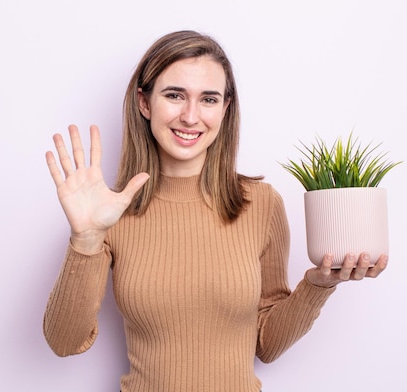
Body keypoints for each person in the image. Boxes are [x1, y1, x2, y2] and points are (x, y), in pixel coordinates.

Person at [43, 30, 387, 392]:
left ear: (225, 108)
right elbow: (64, 342)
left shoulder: (261, 203)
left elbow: (266, 346)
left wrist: (319, 285)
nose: (191, 116)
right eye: (174, 95)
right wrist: (86, 239)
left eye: (208, 99)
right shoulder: (112, 212)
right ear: (144, 103)